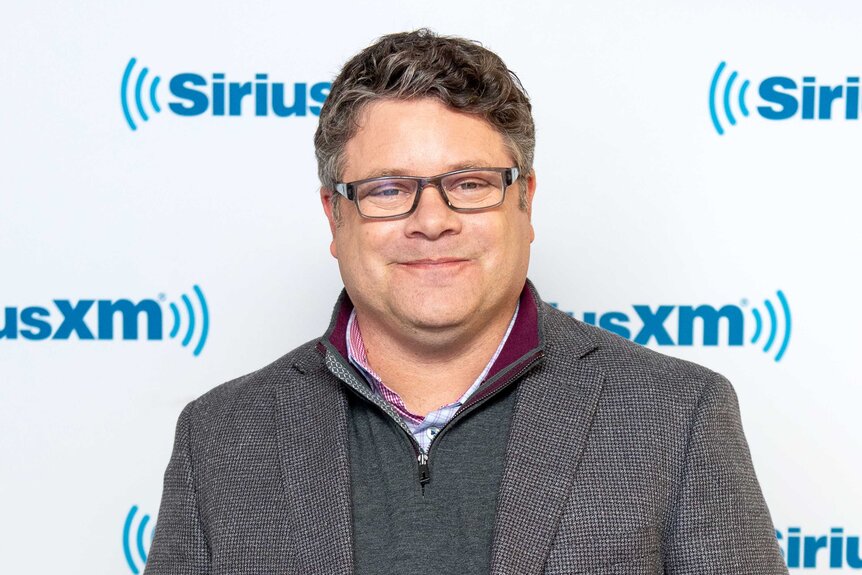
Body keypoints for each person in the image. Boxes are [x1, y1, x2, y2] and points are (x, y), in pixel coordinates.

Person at [144, 29, 788, 575]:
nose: (432, 221)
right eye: (389, 189)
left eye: (470, 183)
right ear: (334, 217)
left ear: (525, 201)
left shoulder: (676, 417)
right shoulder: (222, 437)